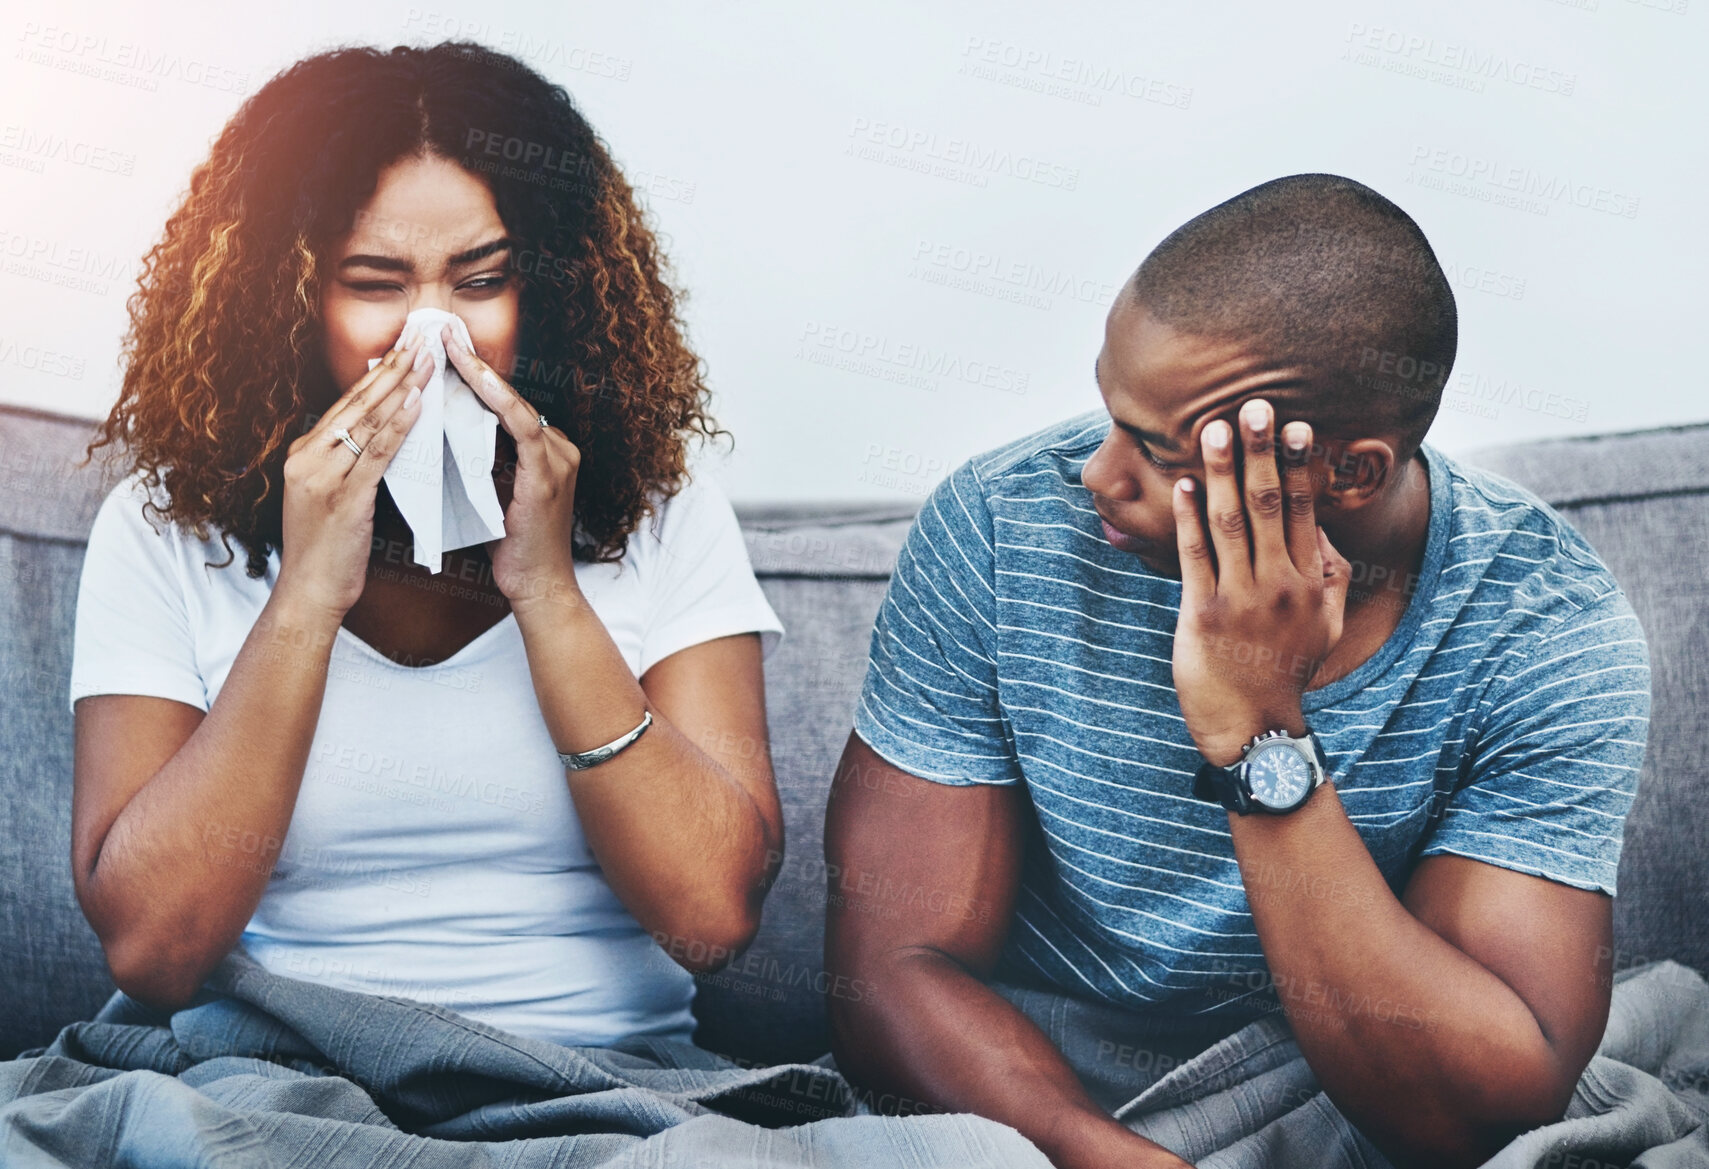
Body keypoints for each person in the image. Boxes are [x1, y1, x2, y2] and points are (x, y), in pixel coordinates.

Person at [823, 174, 1651, 1168]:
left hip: (1342, 1083)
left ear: (1346, 471)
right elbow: (888, 974)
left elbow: (1465, 1114)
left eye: (1153, 447)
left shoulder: (1541, 625)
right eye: (1107, 411)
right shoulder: (1001, 527)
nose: (1095, 472)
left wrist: (1260, 730)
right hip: (1032, 1095)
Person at [67, 41, 785, 1049]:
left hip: (608, 1084)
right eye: (376, 282)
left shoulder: (666, 515)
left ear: (549, 290)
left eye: (479, 280)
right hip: (278, 1074)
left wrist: (546, 591)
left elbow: (711, 918)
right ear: (285, 299)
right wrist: (307, 592)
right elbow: (153, 948)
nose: (434, 336)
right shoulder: (164, 529)